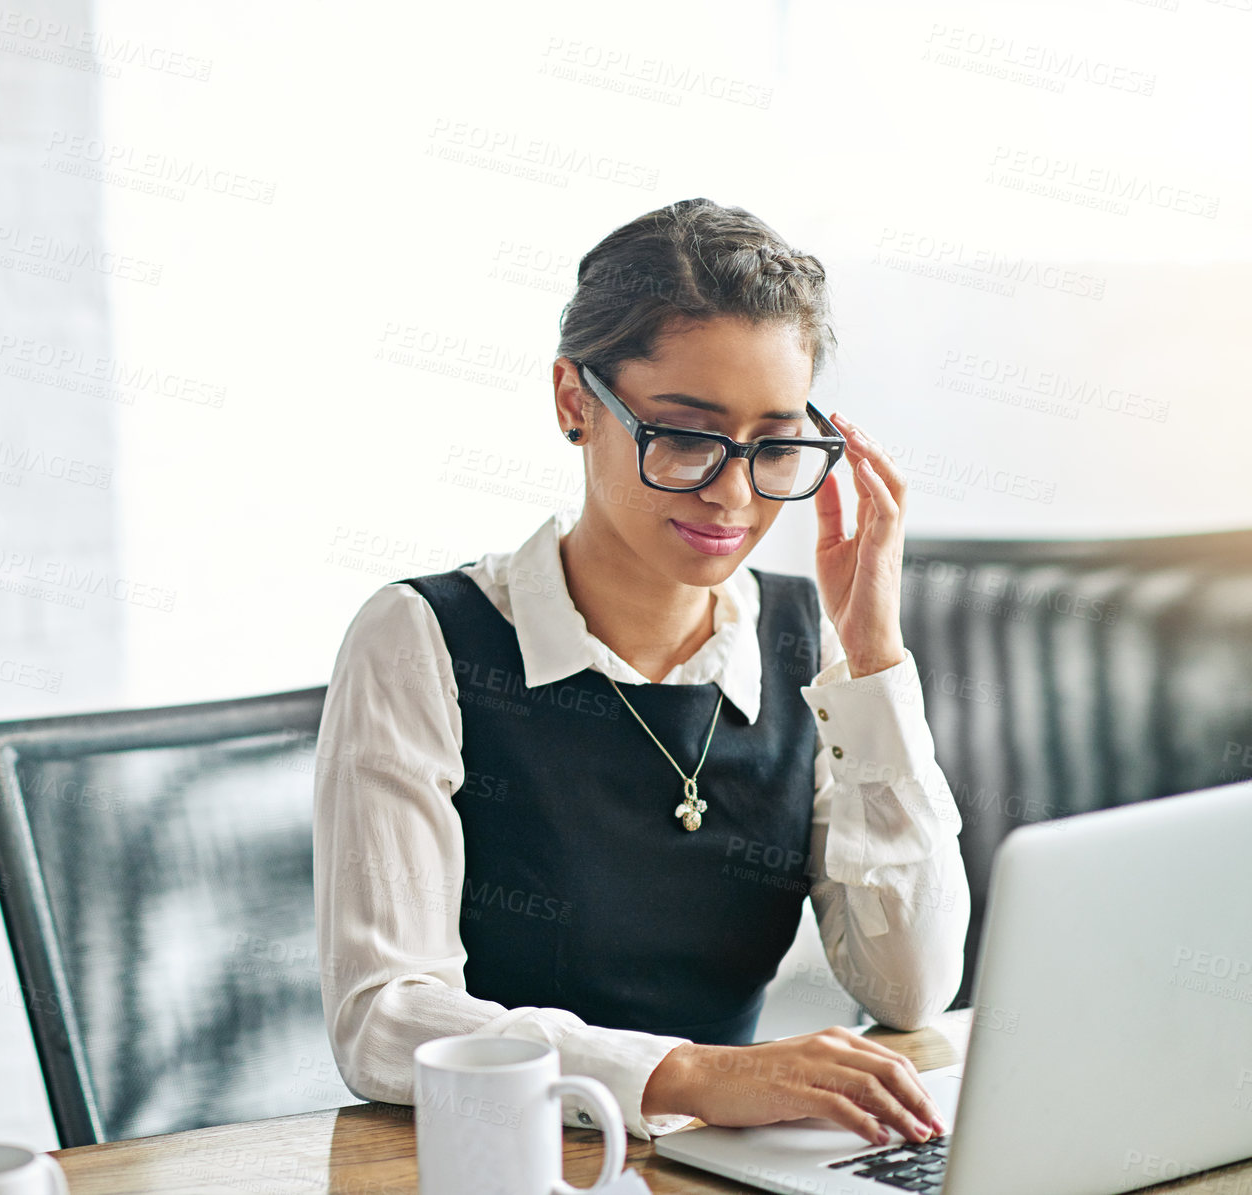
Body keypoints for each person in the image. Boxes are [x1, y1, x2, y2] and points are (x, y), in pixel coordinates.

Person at [313, 198, 970, 1147]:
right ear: (575, 402)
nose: (735, 493)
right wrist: (693, 1074)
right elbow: (384, 1016)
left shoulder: (804, 644)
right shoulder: (422, 640)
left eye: (776, 443)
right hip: (506, 1165)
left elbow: (911, 983)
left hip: (721, 1164)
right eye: (688, 434)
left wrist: (873, 660)